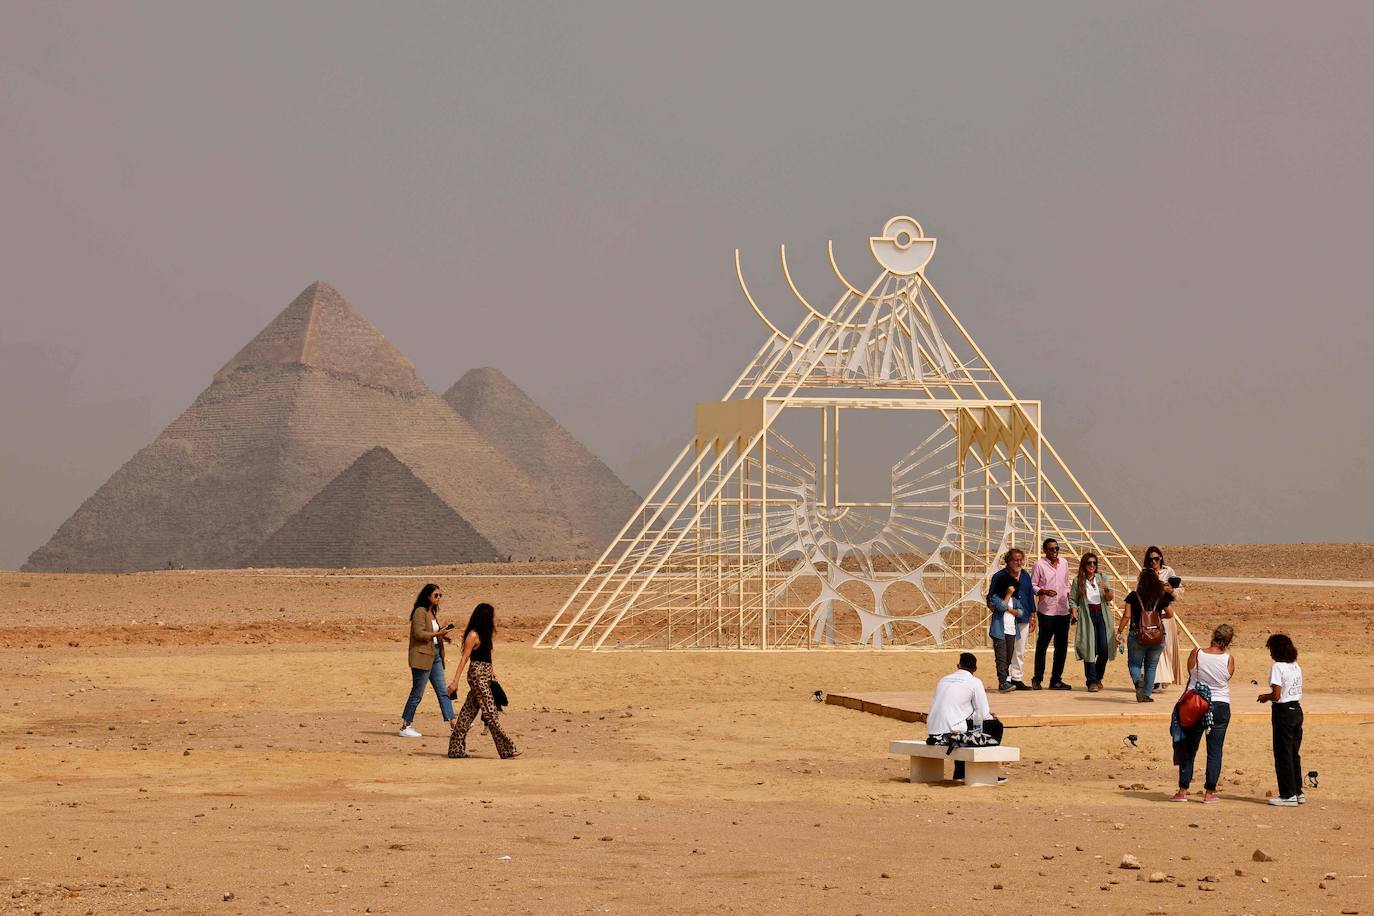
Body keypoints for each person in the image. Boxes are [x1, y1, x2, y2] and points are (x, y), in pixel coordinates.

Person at [447, 602, 521, 759]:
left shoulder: (485, 635)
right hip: (477, 675)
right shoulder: (473, 635)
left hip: (486, 674)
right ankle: (507, 749)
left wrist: (492, 673)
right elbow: (465, 658)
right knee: (491, 713)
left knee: (468, 711)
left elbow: (487, 656)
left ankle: (456, 749)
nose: (493, 619)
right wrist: (455, 681)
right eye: (491, 616)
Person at [1171, 624, 1235, 804]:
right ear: (1229, 641)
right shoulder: (1229, 659)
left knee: (1189, 748)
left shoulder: (1196, 653)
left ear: (1213, 636)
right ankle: (1210, 792)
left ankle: (1183, 790)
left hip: (1196, 704)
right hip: (1220, 704)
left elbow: (1190, 673)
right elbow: (1227, 677)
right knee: (1215, 751)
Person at [924, 652, 1004, 783]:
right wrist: (991, 717)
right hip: (950, 732)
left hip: (933, 730)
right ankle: (985, 771)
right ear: (975, 669)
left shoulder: (944, 679)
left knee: (965, 728)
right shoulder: (975, 682)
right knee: (995, 727)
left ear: (958, 665)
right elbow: (983, 714)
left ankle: (960, 772)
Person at [399, 583, 457, 738]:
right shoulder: (420, 612)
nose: (438, 598)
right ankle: (405, 726)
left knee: (442, 691)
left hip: (435, 655)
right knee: (417, 692)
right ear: (428, 597)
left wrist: (443, 635)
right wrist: (438, 634)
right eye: (436, 595)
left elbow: (431, 632)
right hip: (422, 656)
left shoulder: (431, 612)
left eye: (440, 595)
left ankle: (454, 725)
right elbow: (418, 634)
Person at [1258, 633, 1305, 806]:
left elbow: (1277, 695)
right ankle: (1298, 791)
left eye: (1271, 650)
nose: (1270, 654)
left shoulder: (1277, 667)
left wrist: (1265, 696)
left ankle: (1287, 794)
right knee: (1293, 753)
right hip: (1297, 710)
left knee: (1283, 753)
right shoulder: (1295, 666)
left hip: (1283, 712)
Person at [1116, 565, 1175, 702]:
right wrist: (1159, 618)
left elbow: (1127, 615)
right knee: (1152, 665)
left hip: (1138, 635)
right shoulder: (1160, 597)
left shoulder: (1133, 596)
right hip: (1157, 637)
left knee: (1135, 664)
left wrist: (1119, 631)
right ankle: (1147, 695)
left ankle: (1138, 682)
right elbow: (1170, 614)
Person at [986, 548, 1034, 692]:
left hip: (1023, 615)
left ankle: (1017, 678)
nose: (1018, 562)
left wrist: (1033, 616)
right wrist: (993, 607)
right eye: (1015, 560)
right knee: (1006, 651)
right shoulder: (999, 576)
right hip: (1005, 620)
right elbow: (991, 596)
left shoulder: (1025, 576)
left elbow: (1030, 596)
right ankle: (1005, 680)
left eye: (1021, 560)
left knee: (1019, 650)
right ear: (1008, 561)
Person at [1069, 552, 1116, 691]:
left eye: (1094, 563)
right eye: (1089, 563)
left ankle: (1098, 677)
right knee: (1089, 648)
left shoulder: (1102, 578)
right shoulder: (1078, 581)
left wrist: (1106, 588)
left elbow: (1109, 598)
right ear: (1084, 564)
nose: (1092, 565)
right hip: (1087, 615)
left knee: (1104, 648)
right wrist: (1074, 611)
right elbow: (1073, 599)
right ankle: (1091, 681)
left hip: (1101, 615)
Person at [1030, 538, 1073, 690]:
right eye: (1051, 549)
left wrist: (1071, 603)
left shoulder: (1064, 563)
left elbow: (1066, 585)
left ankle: (1056, 680)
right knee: (1042, 645)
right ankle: (1037, 678)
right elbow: (1033, 585)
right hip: (1046, 611)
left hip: (1063, 610)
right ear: (1045, 551)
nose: (1055, 551)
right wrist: (1044, 591)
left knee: (1061, 647)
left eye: (1057, 548)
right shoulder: (1039, 565)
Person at [1143, 546, 1182, 689]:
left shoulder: (1168, 571)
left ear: (1160, 558)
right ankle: (1155, 679)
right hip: (1152, 614)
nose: (1154, 561)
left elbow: (1179, 593)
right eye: (1151, 559)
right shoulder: (1145, 573)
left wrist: (1170, 590)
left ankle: (1164, 678)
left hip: (1167, 613)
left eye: (1156, 558)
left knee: (1167, 648)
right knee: (1153, 645)